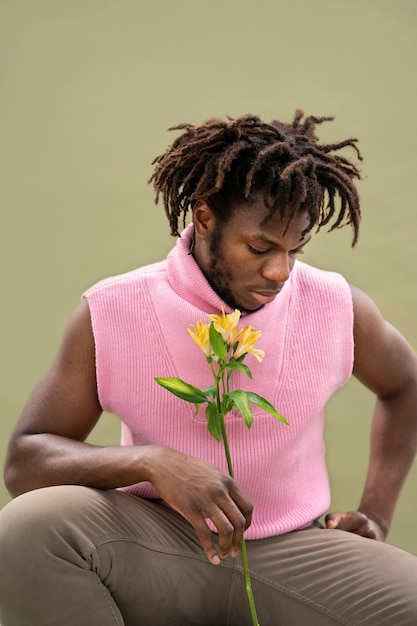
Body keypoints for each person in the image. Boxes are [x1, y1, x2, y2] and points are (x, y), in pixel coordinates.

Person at [1, 111, 417, 626]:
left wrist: (376, 513)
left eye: (295, 249)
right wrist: (151, 462)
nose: (279, 272)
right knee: (27, 528)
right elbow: (25, 461)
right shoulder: (113, 309)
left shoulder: (334, 305)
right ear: (203, 220)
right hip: (154, 544)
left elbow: (406, 385)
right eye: (260, 247)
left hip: (296, 551)